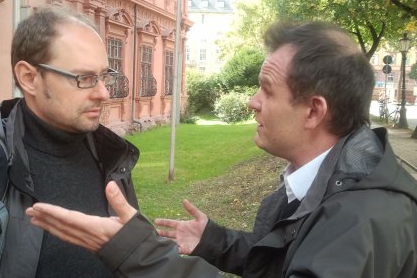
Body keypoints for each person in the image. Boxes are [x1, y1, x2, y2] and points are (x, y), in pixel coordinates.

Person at [26, 21, 417, 277]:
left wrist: (138, 251)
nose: (252, 101)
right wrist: (213, 241)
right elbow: (289, 262)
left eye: (267, 89)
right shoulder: (330, 186)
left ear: (314, 111)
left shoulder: (361, 218)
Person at [0, 5, 140, 278]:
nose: (103, 93)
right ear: (29, 78)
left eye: (105, 76)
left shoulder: (112, 157)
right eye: (85, 78)